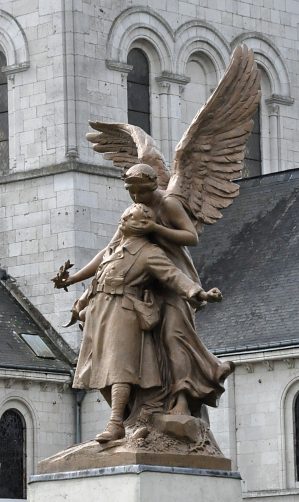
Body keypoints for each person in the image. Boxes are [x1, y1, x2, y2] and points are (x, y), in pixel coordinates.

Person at [56, 203, 223, 442]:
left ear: (144, 225)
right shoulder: (114, 250)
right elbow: (97, 275)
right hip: (100, 313)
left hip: (124, 312)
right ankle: (126, 420)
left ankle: (115, 424)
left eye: (129, 219)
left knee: (120, 369)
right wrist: (72, 285)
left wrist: (200, 293)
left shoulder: (149, 253)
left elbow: (173, 276)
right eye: (123, 218)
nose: (122, 222)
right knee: (95, 371)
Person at [121, 164, 233, 416]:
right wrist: (74, 280)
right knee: (150, 345)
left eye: (141, 193)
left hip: (177, 280)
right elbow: (114, 246)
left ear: (152, 187)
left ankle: (182, 400)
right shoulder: (138, 210)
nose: (137, 199)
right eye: (132, 193)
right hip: (149, 283)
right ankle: (157, 401)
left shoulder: (169, 204)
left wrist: (155, 229)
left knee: (174, 338)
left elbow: (191, 236)